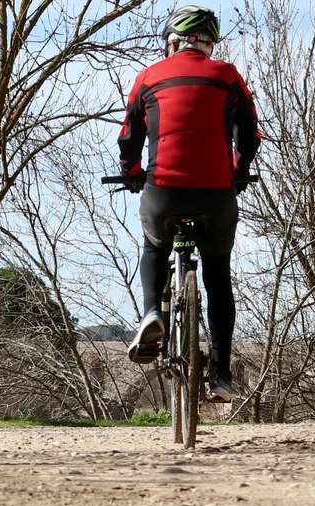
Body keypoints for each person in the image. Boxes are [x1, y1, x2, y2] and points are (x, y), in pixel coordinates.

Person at [116, 5, 260, 402]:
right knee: (217, 274)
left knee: (153, 246)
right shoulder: (228, 75)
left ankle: (151, 315)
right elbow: (250, 133)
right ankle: (222, 376)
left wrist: (132, 171)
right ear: (210, 44)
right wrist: (240, 168)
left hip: (163, 191)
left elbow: (129, 135)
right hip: (217, 194)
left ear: (171, 41)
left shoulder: (148, 76)